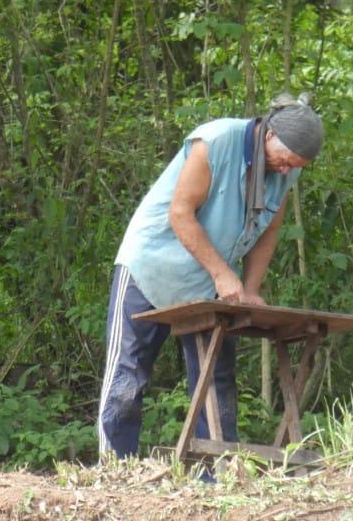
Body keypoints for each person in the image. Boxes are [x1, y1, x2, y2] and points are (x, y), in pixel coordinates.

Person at [97, 93, 324, 458]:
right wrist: (222, 274)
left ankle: (213, 478)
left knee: (215, 382)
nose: (286, 171)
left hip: (209, 284)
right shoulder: (215, 142)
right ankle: (116, 470)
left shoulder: (286, 171)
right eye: (284, 161)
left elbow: (267, 233)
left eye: (294, 166)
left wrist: (249, 289)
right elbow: (181, 214)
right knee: (128, 377)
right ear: (269, 135)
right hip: (150, 267)